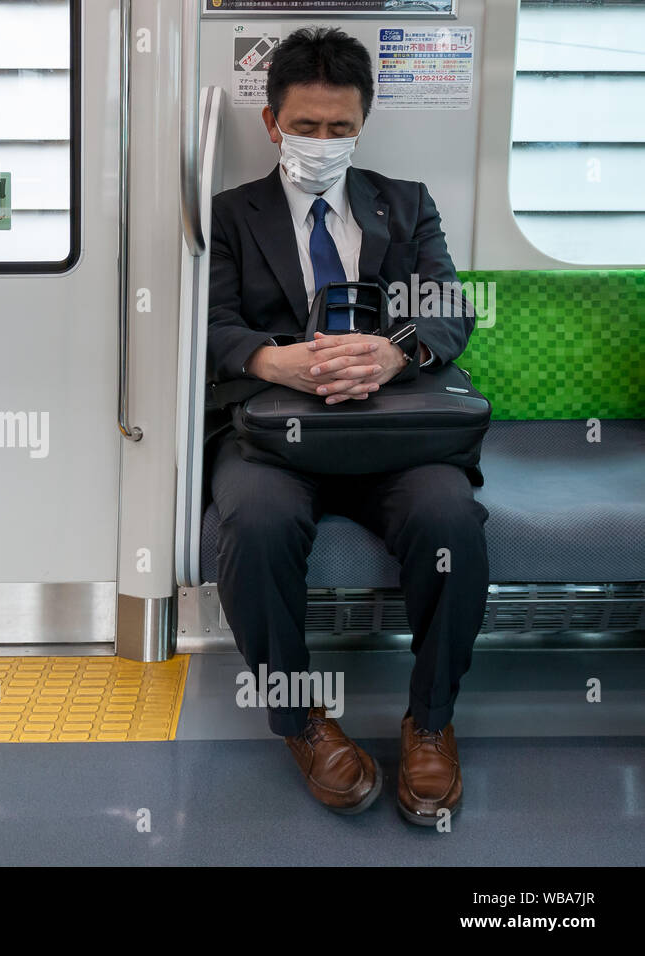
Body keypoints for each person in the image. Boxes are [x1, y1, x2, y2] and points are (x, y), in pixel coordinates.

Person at [204, 26, 488, 824]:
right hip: (273, 435)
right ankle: (300, 719)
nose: (322, 143)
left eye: (340, 128)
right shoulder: (230, 215)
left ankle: (430, 721)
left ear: (362, 125)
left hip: (393, 430)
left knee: (450, 519)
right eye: (305, 126)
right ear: (272, 124)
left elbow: (446, 307)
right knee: (255, 525)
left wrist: (394, 355)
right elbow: (212, 324)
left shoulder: (407, 202)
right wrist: (272, 360)